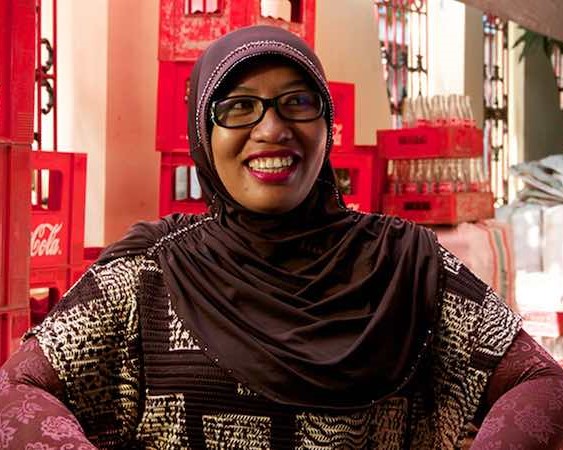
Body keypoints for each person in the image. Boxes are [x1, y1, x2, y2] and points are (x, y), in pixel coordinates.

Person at [1, 25, 563, 450]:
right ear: (203, 130)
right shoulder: (152, 274)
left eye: (297, 102)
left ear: (327, 125)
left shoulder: (404, 264)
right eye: (239, 107)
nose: (272, 130)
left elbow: (541, 382)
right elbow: (16, 392)